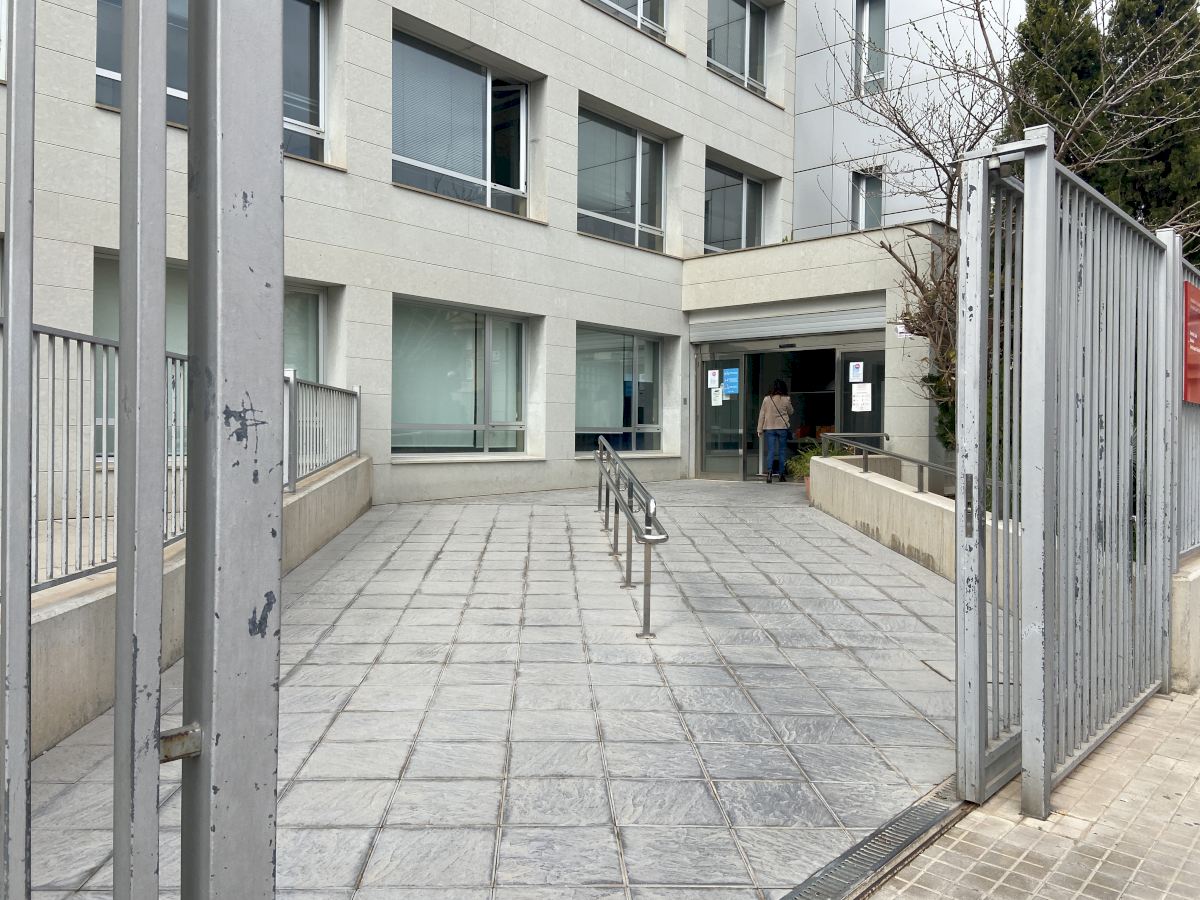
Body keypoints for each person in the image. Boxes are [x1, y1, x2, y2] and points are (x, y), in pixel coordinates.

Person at [757, 379, 793, 484]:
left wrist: (759, 429)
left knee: (771, 451)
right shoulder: (786, 399)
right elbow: (791, 411)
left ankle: (769, 473)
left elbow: (762, 415)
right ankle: (781, 474)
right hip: (782, 428)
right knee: (782, 451)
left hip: (769, 428)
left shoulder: (766, 399)